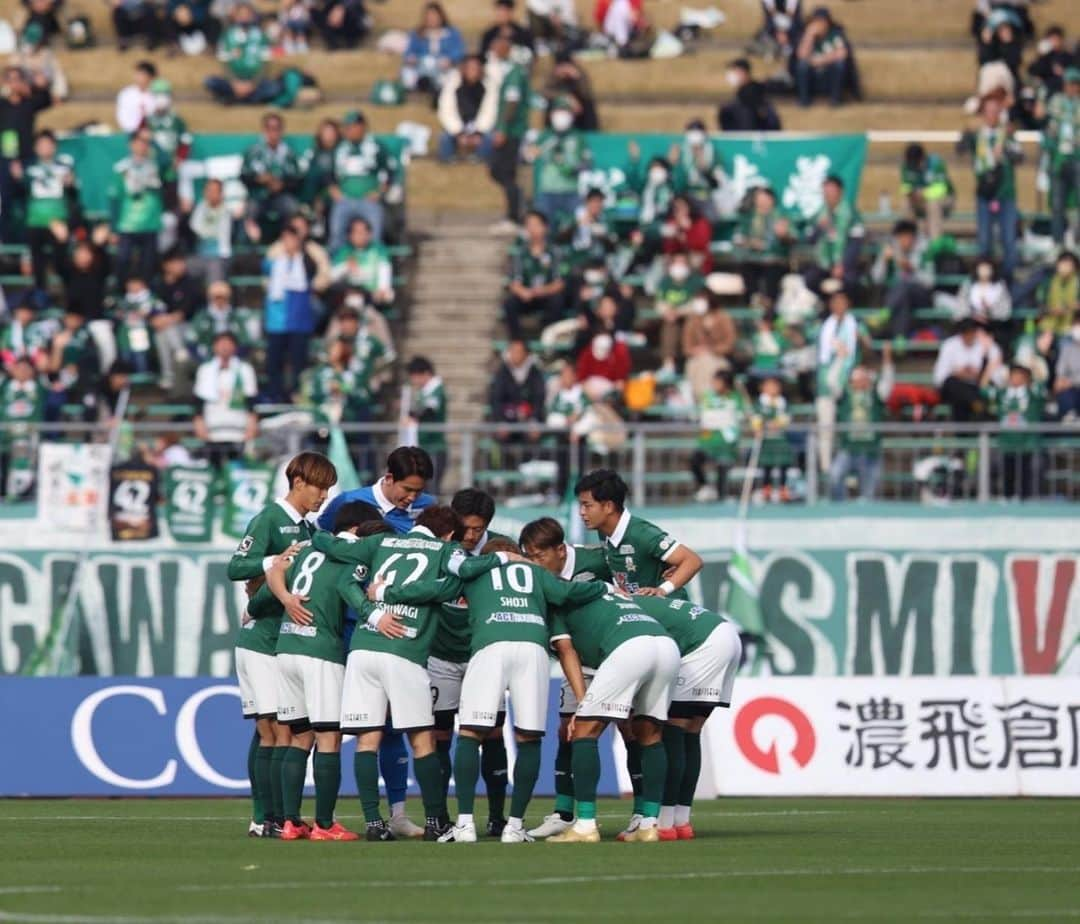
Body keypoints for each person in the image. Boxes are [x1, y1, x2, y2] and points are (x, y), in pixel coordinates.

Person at [300, 505, 474, 841]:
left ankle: (373, 823)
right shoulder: (444, 549)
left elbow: (341, 569)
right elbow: (453, 586)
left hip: (364, 648)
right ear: (450, 534)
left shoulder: (383, 543)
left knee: (367, 740)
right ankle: (437, 820)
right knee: (422, 740)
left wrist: (372, 612)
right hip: (404, 650)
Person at [439, 537, 608, 843]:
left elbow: (438, 591)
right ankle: (515, 827)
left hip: (490, 646)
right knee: (528, 737)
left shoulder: (475, 571)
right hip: (532, 649)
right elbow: (566, 592)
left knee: (470, 734)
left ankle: (464, 825)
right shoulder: (538, 573)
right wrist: (604, 587)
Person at [313, 446, 437, 839]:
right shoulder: (349, 503)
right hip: (350, 629)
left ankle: (397, 814)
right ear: (388, 477)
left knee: (395, 728)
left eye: (418, 491)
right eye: (406, 489)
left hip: (401, 632)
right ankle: (318, 817)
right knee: (344, 727)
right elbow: (321, 542)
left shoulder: (426, 510)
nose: (412, 498)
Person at [574, 467, 703, 840]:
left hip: (670, 633)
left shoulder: (640, 532)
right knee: (644, 728)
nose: (582, 513)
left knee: (670, 728)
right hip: (645, 634)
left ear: (609, 505)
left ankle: (668, 817)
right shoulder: (607, 540)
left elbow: (691, 560)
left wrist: (662, 589)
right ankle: (656, 818)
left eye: (587, 505)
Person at [249, 506, 386, 842]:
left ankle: (289, 822)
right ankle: (324, 825)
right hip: (320, 651)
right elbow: (346, 587)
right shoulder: (354, 556)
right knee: (329, 739)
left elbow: (268, 580)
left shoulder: (306, 546)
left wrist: (284, 599)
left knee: (298, 736)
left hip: (287, 647)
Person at [227, 450, 338, 838]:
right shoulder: (271, 518)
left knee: (276, 729)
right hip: (262, 639)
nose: (323, 496)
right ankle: (266, 817)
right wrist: (274, 560)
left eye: (327, 489)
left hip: (284, 640)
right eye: (319, 487)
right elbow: (236, 567)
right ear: (298, 483)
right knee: (272, 729)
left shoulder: (309, 528)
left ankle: (274, 817)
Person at [547, 588, 680, 843]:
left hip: (629, 648)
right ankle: (649, 824)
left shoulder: (555, 602)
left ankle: (585, 824)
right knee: (650, 734)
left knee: (584, 731)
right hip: (666, 645)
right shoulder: (604, 593)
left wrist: (583, 705)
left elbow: (566, 650)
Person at [516, 517, 609, 839]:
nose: (534, 563)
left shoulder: (597, 560)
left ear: (559, 550)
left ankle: (644, 813)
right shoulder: (534, 576)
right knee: (566, 730)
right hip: (576, 658)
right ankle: (563, 812)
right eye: (528, 556)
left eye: (538, 556)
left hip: (614, 656)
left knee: (634, 731)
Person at [633, 594, 741, 841]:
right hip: (725, 634)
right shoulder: (636, 600)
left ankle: (665, 823)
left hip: (702, 644)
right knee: (691, 730)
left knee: (672, 728)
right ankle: (682, 821)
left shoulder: (619, 610)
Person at [829, 348, 894, 502]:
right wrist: (839, 359)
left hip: (871, 449)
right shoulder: (844, 394)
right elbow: (831, 381)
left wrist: (887, 360)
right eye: (857, 377)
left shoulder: (876, 394)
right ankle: (839, 507)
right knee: (835, 477)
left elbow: (888, 382)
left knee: (869, 492)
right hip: (848, 447)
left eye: (864, 377)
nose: (861, 381)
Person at [970, 93, 1021, 281]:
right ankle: (984, 282)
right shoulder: (977, 137)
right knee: (984, 242)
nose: (992, 115)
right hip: (985, 195)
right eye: (988, 111)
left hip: (1006, 194)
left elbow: (1019, 157)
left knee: (1009, 241)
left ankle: (1008, 283)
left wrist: (1006, 148)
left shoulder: (1007, 135)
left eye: (995, 112)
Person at [262, 225, 316, 403]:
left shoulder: (306, 261)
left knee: (298, 363)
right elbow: (264, 267)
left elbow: (313, 270)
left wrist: (300, 250)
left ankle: (297, 395)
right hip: (276, 321)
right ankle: (276, 395)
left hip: (299, 321)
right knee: (273, 363)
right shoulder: (275, 261)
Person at [22, 129, 78, 293]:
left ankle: (68, 295)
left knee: (61, 261)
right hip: (35, 220)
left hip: (58, 220)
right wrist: (18, 179)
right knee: (37, 263)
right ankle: (41, 297)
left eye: (48, 145)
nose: (45, 148)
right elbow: (19, 194)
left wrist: (71, 184)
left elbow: (74, 197)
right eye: (41, 145)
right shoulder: (29, 168)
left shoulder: (64, 168)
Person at [328, 110, 392, 250]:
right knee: (336, 232)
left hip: (368, 200)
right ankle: (337, 262)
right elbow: (329, 174)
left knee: (375, 232)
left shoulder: (377, 147)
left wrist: (379, 192)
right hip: (345, 199)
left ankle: (374, 261)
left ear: (362, 127)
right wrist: (334, 191)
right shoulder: (339, 148)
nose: (349, 131)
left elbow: (389, 172)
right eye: (347, 127)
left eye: (352, 127)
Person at [815, 288, 862, 471]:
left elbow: (866, 352)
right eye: (835, 302)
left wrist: (862, 340)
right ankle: (826, 470)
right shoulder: (822, 327)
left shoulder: (857, 326)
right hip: (825, 386)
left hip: (850, 387)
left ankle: (849, 470)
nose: (839, 305)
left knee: (848, 431)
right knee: (826, 430)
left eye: (842, 301)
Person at [192, 331, 258, 465]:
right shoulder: (205, 369)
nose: (224, 347)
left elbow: (251, 400)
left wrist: (252, 425)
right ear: (214, 347)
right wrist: (199, 423)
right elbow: (198, 400)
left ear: (235, 347)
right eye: (221, 344)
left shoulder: (245, 369)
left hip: (238, 429)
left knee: (237, 468)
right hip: (213, 429)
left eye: (228, 344)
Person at [488, 33, 531, 234]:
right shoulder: (512, 71)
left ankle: (514, 216)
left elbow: (511, 103)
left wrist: (502, 129)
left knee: (503, 171)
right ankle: (515, 211)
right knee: (503, 173)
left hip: (512, 132)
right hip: (512, 131)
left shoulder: (514, 73)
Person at [109, 130, 164, 287]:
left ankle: (145, 295)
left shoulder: (156, 165)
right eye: (138, 142)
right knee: (123, 260)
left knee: (149, 263)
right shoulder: (121, 168)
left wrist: (153, 141)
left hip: (150, 222)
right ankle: (121, 294)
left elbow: (168, 159)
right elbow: (115, 197)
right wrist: (113, 227)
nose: (141, 146)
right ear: (130, 144)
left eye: (144, 142)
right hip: (128, 222)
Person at [986, 363, 1045, 499]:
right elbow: (984, 390)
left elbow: (1042, 390)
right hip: (1007, 443)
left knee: (1027, 479)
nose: (1016, 379)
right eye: (1013, 375)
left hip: (1027, 444)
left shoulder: (1032, 394)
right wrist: (990, 368)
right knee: (1008, 478)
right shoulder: (1002, 394)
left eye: (1020, 376)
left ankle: (1027, 508)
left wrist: (1036, 370)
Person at [502, 211, 565, 338]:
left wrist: (542, 291)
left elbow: (559, 283)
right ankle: (517, 341)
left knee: (557, 300)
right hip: (527, 296)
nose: (532, 229)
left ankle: (548, 338)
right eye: (529, 225)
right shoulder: (520, 253)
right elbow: (514, 283)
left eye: (536, 225)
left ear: (545, 228)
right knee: (510, 303)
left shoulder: (555, 252)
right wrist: (523, 292)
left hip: (546, 295)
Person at [240, 112, 300, 243]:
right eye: (269, 128)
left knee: (292, 208)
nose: (273, 133)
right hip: (258, 195)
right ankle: (248, 247)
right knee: (250, 209)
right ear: (264, 130)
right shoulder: (253, 151)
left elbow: (296, 179)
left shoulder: (288, 153)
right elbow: (243, 176)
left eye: (277, 129)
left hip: (280, 196)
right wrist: (258, 180)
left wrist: (281, 185)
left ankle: (287, 242)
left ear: (282, 131)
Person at [871, 219, 935, 339]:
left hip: (921, 297)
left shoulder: (925, 251)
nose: (905, 241)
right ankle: (900, 339)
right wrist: (884, 261)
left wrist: (912, 270)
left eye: (908, 237)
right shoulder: (890, 249)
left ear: (914, 237)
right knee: (902, 296)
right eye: (901, 237)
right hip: (899, 298)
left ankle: (886, 312)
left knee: (904, 285)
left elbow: (930, 282)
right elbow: (876, 278)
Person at [529, 97, 587, 225]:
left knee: (583, 220)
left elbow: (587, 163)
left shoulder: (577, 138)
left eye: (565, 112)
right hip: (548, 191)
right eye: (558, 112)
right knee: (538, 222)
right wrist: (535, 150)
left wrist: (572, 169)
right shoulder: (545, 136)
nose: (561, 116)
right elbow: (529, 156)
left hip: (571, 192)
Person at [932, 318, 1004, 422]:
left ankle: (975, 406)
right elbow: (939, 377)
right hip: (955, 388)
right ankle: (977, 404)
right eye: (966, 332)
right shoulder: (949, 345)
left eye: (971, 332)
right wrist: (958, 373)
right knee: (953, 386)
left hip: (977, 387)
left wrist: (978, 374)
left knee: (960, 400)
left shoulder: (986, 344)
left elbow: (996, 371)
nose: (969, 335)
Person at [204, 3, 276, 105]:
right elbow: (224, 63)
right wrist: (234, 83)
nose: (244, 17)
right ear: (235, 17)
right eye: (241, 15)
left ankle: (236, 100)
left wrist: (253, 84)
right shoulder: (227, 36)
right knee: (210, 81)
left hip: (254, 81)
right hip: (234, 81)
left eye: (247, 14)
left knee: (272, 88)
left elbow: (266, 64)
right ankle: (248, 100)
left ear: (252, 16)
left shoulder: (261, 35)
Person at [690, 370, 745, 502]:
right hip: (708, 440)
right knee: (695, 460)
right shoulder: (708, 396)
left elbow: (736, 417)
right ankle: (705, 487)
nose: (714, 384)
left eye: (718, 382)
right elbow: (706, 417)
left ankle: (722, 495)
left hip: (726, 442)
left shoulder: (735, 397)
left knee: (723, 467)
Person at [805, 174, 862, 293]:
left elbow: (855, 243)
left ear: (840, 191)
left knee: (850, 282)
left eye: (831, 190)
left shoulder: (850, 214)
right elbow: (810, 239)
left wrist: (843, 265)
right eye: (825, 190)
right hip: (823, 264)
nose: (828, 194)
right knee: (810, 279)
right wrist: (819, 227)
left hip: (844, 265)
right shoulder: (819, 214)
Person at [735, 186, 792, 304]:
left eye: (764, 199)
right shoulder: (748, 217)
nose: (761, 202)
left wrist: (784, 235)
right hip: (753, 259)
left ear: (772, 200)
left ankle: (769, 307)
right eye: (758, 199)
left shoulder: (781, 216)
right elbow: (738, 237)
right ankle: (753, 302)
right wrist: (750, 242)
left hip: (775, 260)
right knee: (746, 269)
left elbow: (794, 237)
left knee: (772, 273)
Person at [437, 55, 496, 164]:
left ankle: (480, 161)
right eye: (470, 68)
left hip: (479, 127)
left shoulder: (489, 86)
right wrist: (458, 132)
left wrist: (479, 132)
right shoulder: (452, 85)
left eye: (476, 68)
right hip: (458, 126)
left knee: (490, 138)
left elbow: (490, 111)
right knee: (444, 138)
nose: (473, 72)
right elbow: (446, 111)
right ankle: (448, 162)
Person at [1044, 68, 1080, 247]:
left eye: (1075, 84)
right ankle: (1057, 243)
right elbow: (1050, 127)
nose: (1072, 88)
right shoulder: (1057, 102)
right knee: (1057, 204)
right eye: (1069, 84)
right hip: (1059, 158)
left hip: (1077, 157)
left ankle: (1077, 239)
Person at [401, 2, 466, 98]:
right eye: (429, 16)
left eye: (434, 16)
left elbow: (459, 51)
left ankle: (438, 88)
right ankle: (418, 87)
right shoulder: (418, 33)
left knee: (452, 75)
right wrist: (411, 58)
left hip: (442, 66)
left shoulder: (452, 33)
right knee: (407, 72)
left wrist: (450, 60)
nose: (432, 19)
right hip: (421, 65)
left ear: (441, 16)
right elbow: (409, 51)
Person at [793, 6, 853, 107]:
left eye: (822, 21)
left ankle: (835, 99)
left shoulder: (835, 35)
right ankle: (804, 100)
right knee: (802, 65)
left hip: (828, 77)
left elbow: (842, 53)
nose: (819, 25)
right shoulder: (807, 35)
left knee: (839, 65)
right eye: (816, 21)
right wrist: (809, 35)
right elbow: (801, 55)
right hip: (813, 78)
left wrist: (822, 60)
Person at [681, 295, 738, 400]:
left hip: (719, 357)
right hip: (697, 358)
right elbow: (687, 346)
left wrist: (712, 350)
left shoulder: (723, 317)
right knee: (695, 365)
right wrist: (696, 350)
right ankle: (699, 399)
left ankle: (709, 399)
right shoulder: (693, 320)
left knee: (710, 363)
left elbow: (730, 343)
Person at [329, 217, 394, 309]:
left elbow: (384, 272)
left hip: (373, 295)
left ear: (369, 234)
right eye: (356, 232)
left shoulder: (379, 250)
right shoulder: (343, 252)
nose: (360, 235)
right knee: (353, 299)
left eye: (363, 232)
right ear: (350, 235)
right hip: (350, 293)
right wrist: (346, 266)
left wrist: (382, 289)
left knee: (388, 295)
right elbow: (331, 276)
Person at [405, 356, 448, 493]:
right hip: (423, 446)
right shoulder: (423, 393)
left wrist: (413, 416)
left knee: (432, 490)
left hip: (434, 447)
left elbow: (428, 410)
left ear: (425, 373)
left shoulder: (437, 389)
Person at [489, 338, 547, 439]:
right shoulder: (502, 372)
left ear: (526, 354)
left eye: (518, 352)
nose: (514, 355)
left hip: (529, 420)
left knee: (534, 434)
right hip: (507, 419)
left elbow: (539, 398)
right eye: (512, 351)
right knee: (500, 434)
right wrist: (500, 421)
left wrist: (534, 419)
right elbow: (496, 398)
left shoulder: (535, 372)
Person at [186, 281, 255, 363]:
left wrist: (235, 358)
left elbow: (245, 341)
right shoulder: (202, 316)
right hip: (207, 356)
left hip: (233, 358)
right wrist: (202, 360)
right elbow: (191, 341)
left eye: (223, 297)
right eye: (216, 297)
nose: (220, 301)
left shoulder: (236, 317)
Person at [900, 143, 954, 242]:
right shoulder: (907, 165)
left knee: (933, 205)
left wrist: (923, 194)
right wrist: (911, 193)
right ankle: (909, 240)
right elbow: (905, 186)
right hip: (919, 199)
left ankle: (935, 243)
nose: (914, 166)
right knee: (906, 204)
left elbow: (941, 189)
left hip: (945, 198)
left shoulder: (936, 164)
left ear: (922, 158)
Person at [752, 374, 793, 502]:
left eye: (775, 386)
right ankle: (766, 490)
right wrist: (759, 426)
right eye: (769, 386)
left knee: (783, 464)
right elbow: (756, 419)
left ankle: (783, 489)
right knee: (766, 465)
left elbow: (786, 418)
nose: (772, 388)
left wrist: (776, 423)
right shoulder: (760, 403)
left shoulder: (783, 403)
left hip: (780, 438)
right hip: (766, 439)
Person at [188, 178, 233, 283]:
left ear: (221, 193)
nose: (210, 194)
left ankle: (215, 297)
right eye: (208, 190)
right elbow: (195, 227)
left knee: (214, 270)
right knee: (179, 267)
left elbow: (215, 233)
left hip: (220, 256)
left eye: (214, 190)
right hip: (200, 255)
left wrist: (205, 231)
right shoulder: (201, 207)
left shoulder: (227, 209)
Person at [718, 58, 780, 132]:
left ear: (744, 73)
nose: (732, 75)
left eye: (735, 71)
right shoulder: (741, 93)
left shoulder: (753, 93)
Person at [543, 52, 599, 131]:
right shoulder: (553, 76)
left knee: (588, 104)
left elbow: (586, 93)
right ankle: (549, 130)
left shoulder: (579, 74)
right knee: (549, 105)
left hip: (579, 106)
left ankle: (589, 131)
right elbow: (545, 92)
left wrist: (578, 78)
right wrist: (566, 97)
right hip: (559, 104)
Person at [480, 0, 535, 64]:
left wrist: (510, 49)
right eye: (499, 11)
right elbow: (483, 57)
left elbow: (531, 55)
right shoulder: (489, 34)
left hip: (518, 69)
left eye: (505, 11)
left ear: (511, 12)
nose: (502, 14)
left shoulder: (522, 33)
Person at [116, 61, 157, 134]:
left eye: (142, 75)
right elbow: (122, 115)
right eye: (137, 74)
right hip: (130, 133)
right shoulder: (126, 94)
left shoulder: (155, 95)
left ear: (150, 77)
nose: (138, 77)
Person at [1053, 322, 1080, 420]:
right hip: (1071, 389)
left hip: (1072, 384)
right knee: (1064, 392)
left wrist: (1072, 382)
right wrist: (1060, 380)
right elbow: (1060, 371)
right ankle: (1069, 417)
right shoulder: (1067, 349)